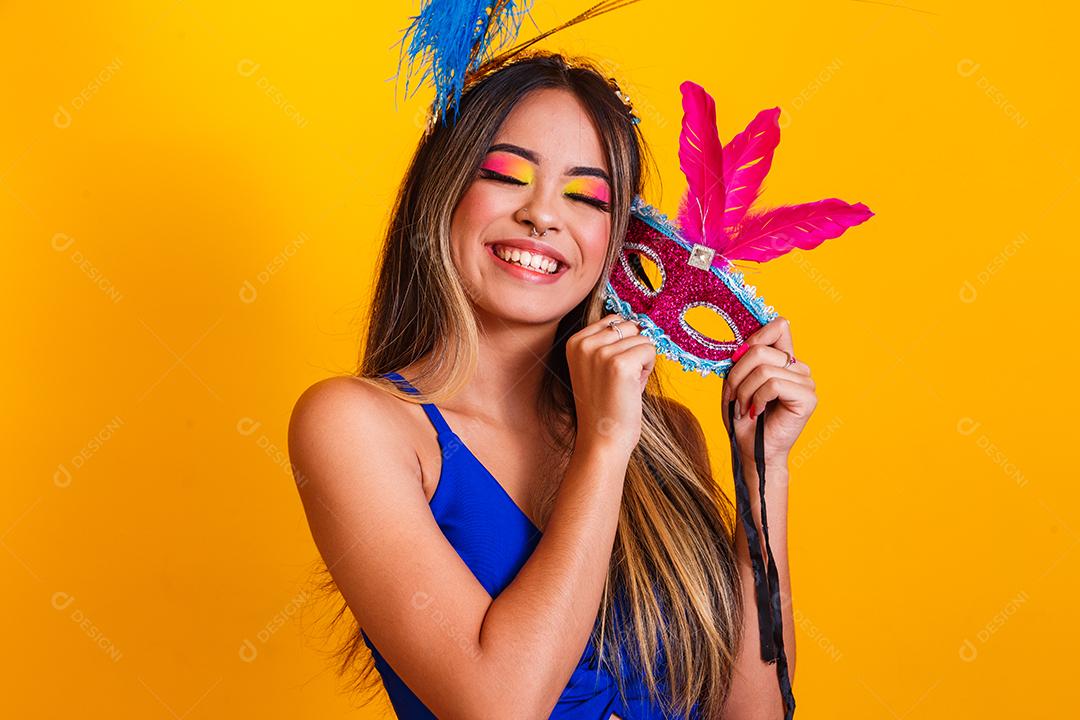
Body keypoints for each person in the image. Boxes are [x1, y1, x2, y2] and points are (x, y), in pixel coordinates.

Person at [288, 52, 816, 719]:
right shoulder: (356, 426)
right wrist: (602, 445)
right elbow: (499, 708)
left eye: (586, 196)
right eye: (508, 176)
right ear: (443, 193)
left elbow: (755, 716)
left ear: (619, 240)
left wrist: (761, 469)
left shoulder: (666, 438)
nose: (543, 215)